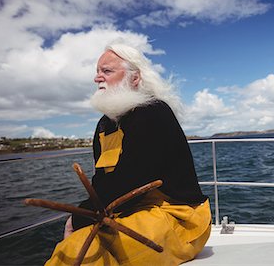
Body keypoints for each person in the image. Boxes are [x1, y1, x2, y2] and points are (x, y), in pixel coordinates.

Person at [46, 43, 211, 265]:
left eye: (107, 71)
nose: (97, 78)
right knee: (70, 249)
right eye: (97, 72)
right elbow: (101, 182)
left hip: (178, 217)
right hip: (127, 211)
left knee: (78, 254)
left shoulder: (153, 112)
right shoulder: (105, 125)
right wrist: (84, 217)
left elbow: (132, 181)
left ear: (135, 79)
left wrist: (77, 218)